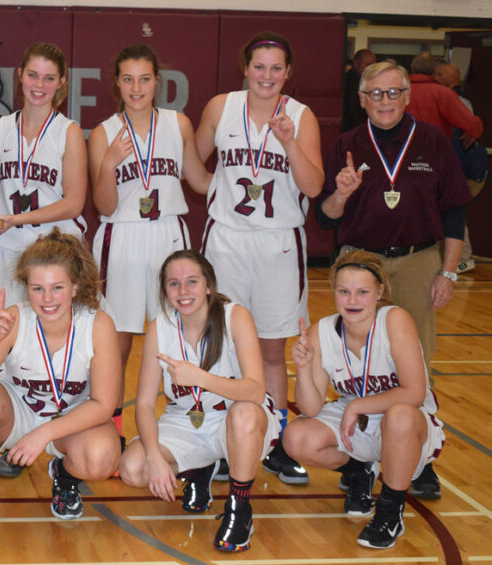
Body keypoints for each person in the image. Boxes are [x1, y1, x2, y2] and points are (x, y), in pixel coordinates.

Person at [317, 61, 470, 499]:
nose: (385, 101)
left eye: (393, 92)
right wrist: (341, 193)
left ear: (406, 96)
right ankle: (362, 456)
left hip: (419, 259)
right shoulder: (346, 144)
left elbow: (455, 211)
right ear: (362, 99)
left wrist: (447, 271)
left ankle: (418, 461)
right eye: (375, 94)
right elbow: (324, 217)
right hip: (360, 263)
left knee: (416, 361)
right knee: (359, 362)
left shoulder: (434, 142)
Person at [195, 31, 324, 483]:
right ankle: (222, 440)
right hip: (226, 238)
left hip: (277, 243)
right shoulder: (220, 107)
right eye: (259, 66)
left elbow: (312, 186)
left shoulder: (302, 117)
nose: (266, 75)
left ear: (287, 73)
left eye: (276, 67)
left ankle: (273, 442)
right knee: (221, 346)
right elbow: (193, 163)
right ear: (244, 68)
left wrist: (289, 142)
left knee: (271, 351)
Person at [0, 228, 121, 552]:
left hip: (72, 418)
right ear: (26, 288)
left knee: (101, 457)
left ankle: (64, 475)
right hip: (18, 413)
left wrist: (43, 435)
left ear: (74, 287)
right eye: (37, 289)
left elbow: (103, 404)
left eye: (57, 288)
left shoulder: (97, 325)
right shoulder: (16, 319)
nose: (47, 299)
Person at [88, 44, 212, 447]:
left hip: (168, 235)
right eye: (127, 79)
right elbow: (104, 204)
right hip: (120, 235)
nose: (136, 88)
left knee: (178, 330)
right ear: (117, 84)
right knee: (117, 340)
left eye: (144, 78)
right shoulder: (105, 132)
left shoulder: (179, 124)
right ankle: (112, 424)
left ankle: (185, 422)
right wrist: (109, 163)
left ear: (158, 81)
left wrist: (247, 174)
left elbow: (199, 180)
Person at [117, 250, 279, 552]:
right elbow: (143, 404)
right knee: (133, 468)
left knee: (244, 413)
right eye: (173, 284)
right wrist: (153, 455)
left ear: (208, 285)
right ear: (165, 290)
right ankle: (198, 469)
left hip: (237, 418)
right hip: (187, 420)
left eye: (192, 281)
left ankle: (239, 508)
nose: (183, 291)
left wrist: (201, 378)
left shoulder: (235, 316)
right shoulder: (160, 327)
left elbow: (256, 391)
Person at [283, 251, 445, 549]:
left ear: (380, 291)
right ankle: (360, 471)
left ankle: (390, 512)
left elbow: (414, 393)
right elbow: (310, 408)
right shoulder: (322, 331)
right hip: (355, 417)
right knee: (296, 438)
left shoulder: (395, 319)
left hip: (408, 418)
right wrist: (303, 370)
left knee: (399, 415)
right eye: (344, 291)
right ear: (333, 291)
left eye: (362, 292)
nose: (352, 300)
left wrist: (357, 405)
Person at [0, 42, 88, 323]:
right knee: (2, 337)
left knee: (56, 338)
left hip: (55, 251)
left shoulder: (69, 132)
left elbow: (74, 204)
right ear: (19, 75)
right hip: (7, 247)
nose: (39, 85)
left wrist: (17, 218)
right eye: (32, 75)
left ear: (61, 82)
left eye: (49, 78)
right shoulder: (0, 127)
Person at [433, 59, 486, 274]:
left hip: (466, 170)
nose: (435, 78)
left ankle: (463, 258)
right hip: (452, 170)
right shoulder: (441, 98)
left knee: (454, 211)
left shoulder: (460, 102)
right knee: (444, 211)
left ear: (453, 79)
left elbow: (468, 132)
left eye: (439, 75)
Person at [406, 52, 483, 142]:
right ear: (435, 71)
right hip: (435, 150)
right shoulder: (444, 94)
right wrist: (471, 132)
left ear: (412, 69)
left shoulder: (399, 92)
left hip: (403, 150)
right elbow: (473, 126)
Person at [342, 49, 376, 132]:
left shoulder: (365, 82)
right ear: (356, 63)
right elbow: (354, 111)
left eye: (373, 66)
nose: (371, 69)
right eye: (368, 65)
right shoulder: (353, 83)